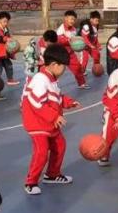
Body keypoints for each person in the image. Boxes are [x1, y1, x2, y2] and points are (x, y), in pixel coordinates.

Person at [21, 45, 78, 195]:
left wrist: (69, 102)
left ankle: (52, 174)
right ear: (54, 65)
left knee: (60, 145)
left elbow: (56, 97)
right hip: (37, 123)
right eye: (63, 66)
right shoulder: (40, 79)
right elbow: (36, 102)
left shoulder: (51, 79)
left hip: (49, 123)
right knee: (41, 152)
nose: (65, 70)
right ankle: (30, 182)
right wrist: (54, 116)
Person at [56, 9, 88, 88]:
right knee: (56, 70)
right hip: (60, 53)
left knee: (77, 67)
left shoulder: (73, 29)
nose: (72, 21)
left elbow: (75, 42)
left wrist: (81, 44)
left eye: (74, 19)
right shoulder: (60, 29)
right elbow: (60, 40)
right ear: (65, 18)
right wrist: (70, 40)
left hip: (70, 53)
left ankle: (81, 83)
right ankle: (51, 83)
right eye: (71, 19)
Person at [0, 11, 21, 87]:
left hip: (4, 52)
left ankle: (10, 80)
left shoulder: (5, 28)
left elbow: (8, 37)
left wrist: (13, 44)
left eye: (7, 22)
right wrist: (6, 39)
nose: (6, 23)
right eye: (4, 21)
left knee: (9, 66)